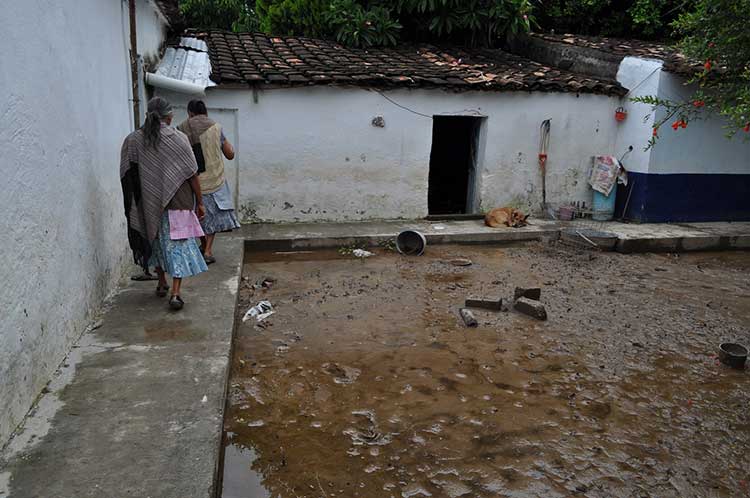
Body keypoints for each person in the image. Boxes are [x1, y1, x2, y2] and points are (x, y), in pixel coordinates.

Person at [120, 97, 208, 310]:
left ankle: (161, 283)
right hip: (178, 203)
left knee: (157, 244)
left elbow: (127, 174)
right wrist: (201, 202)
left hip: (148, 205)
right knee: (177, 246)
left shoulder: (134, 140)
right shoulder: (178, 138)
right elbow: (192, 174)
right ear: (169, 116)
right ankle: (176, 294)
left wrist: (136, 204)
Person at [178, 100, 240, 265]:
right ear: (205, 112)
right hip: (215, 180)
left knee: (197, 216)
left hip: (193, 182)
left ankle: (203, 245)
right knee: (212, 217)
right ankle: (207, 250)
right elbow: (230, 154)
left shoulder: (181, 128)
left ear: (190, 113)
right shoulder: (216, 127)